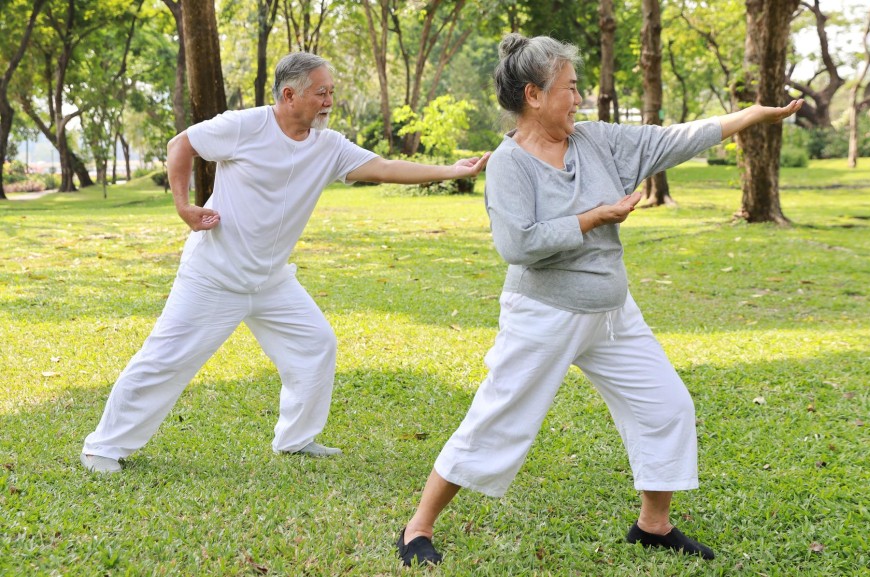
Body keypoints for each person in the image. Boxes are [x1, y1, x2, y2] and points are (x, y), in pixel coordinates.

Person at [395, 33, 802, 567]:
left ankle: (653, 526)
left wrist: (748, 115)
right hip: (544, 313)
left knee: (666, 404)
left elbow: (668, 140)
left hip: (612, 312)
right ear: (534, 95)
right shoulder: (509, 164)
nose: (580, 97)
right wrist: (593, 218)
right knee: (499, 419)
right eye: (570, 87)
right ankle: (417, 527)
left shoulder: (596, 141)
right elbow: (518, 244)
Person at [80, 52, 489, 474]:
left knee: (315, 344)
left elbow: (383, 167)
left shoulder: (328, 146)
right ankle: (103, 447)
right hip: (214, 276)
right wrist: (183, 206)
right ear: (289, 95)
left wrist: (449, 170)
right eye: (321, 92)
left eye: (332, 91)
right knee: (165, 360)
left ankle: (295, 439)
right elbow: (180, 144)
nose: (330, 100)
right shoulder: (244, 126)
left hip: (271, 280)